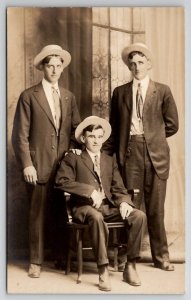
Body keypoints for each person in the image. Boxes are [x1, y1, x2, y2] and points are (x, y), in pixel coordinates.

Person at [103, 42, 179, 271]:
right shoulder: (120, 92)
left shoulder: (162, 91)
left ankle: (161, 256)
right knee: (130, 208)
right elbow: (114, 128)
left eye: (141, 62)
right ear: (129, 66)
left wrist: (152, 137)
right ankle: (127, 256)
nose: (136, 67)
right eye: (132, 63)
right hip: (129, 154)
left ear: (149, 64)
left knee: (156, 209)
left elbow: (173, 125)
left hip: (156, 154)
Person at [12, 44, 81, 278]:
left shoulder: (69, 97)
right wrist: (27, 164)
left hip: (63, 168)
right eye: (49, 65)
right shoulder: (28, 96)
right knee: (37, 215)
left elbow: (75, 131)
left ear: (62, 68)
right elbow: (19, 135)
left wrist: (74, 160)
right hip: (38, 164)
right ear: (42, 67)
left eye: (58, 66)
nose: (54, 69)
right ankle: (36, 262)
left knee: (61, 213)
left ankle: (61, 257)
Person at [55, 116, 146, 291]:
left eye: (99, 136)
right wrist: (89, 192)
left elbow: (118, 187)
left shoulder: (108, 160)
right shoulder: (73, 158)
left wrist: (125, 202)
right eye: (91, 136)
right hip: (84, 207)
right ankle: (103, 269)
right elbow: (61, 181)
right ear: (83, 138)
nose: (96, 141)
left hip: (108, 207)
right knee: (96, 217)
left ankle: (131, 266)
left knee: (138, 216)